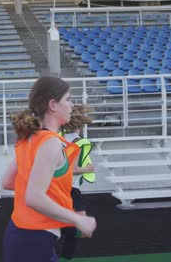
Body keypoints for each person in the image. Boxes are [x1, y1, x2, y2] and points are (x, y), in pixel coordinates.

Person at [2, 77, 97, 262]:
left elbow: (8, 182)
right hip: (35, 239)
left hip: (19, 233)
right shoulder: (51, 143)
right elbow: (33, 197)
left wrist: (46, 192)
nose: (72, 105)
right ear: (53, 104)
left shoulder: (29, 137)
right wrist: (78, 219)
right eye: (68, 99)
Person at [59, 104, 96, 262]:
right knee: (85, 230)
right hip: (72, 189)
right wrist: (88, 168)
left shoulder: (57, 138)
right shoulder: (78, 142)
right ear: (81, 123)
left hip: (57, 187)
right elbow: (71, 170)